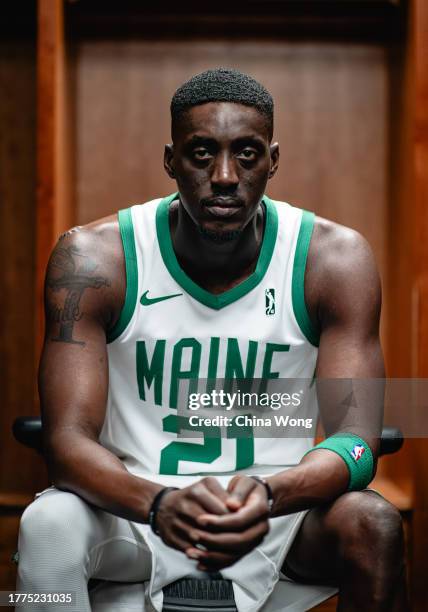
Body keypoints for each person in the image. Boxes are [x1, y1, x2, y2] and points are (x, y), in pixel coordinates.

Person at [17, 68, 408, 611]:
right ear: (170, 160)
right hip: (134, 514)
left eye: (246, 154)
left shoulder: (334, 260)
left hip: (274, 516)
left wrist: (272, 494)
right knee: (47, 521)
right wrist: (158, 503)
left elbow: (358, 439)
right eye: (201, 153)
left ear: (272, 160)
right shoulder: (94, 259)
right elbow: (66, 443)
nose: (224, 175)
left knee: (374, 522)